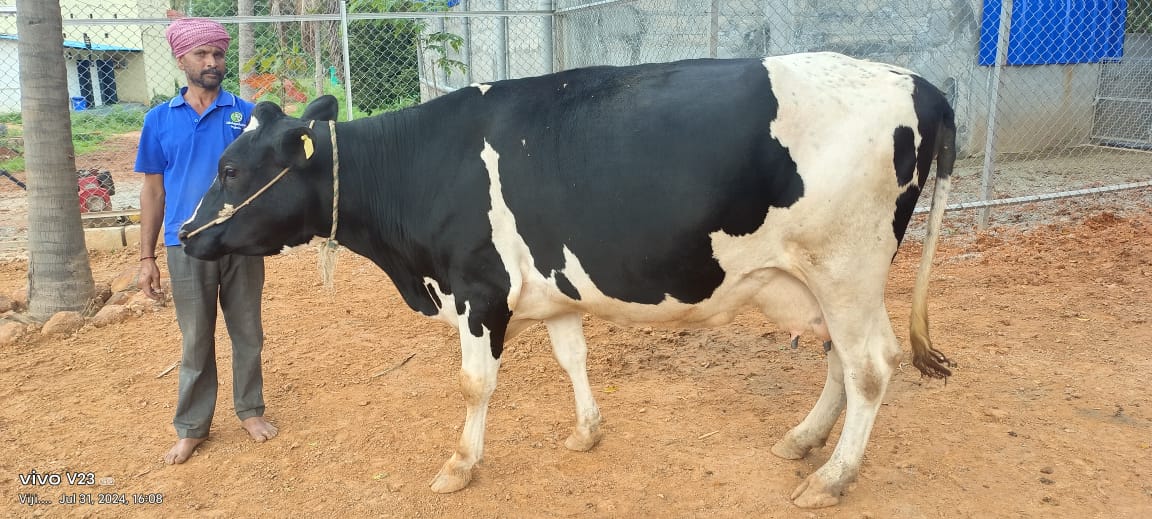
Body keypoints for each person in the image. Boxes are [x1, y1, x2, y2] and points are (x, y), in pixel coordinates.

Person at [135, 17, 277, 465]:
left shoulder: (247, 114)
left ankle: (250, 410)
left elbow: (270, 180)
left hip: (240, 241)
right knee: (195, 337)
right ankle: (192, 427)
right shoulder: (159, 120)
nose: (213, 61)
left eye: (218, 53)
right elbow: (153, 189)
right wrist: (146, 255)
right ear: (182, 61)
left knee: (247, 331)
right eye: (202, 54)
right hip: (187, 245)